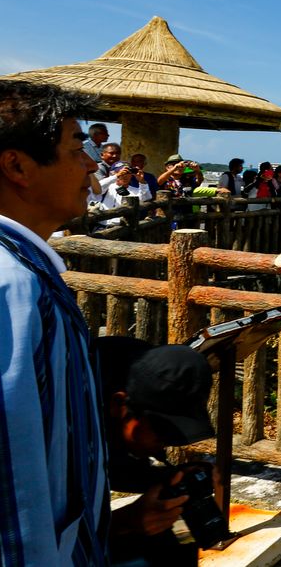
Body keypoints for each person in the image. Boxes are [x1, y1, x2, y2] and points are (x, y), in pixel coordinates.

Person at [0, 79, 110, 564]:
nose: (91, 164)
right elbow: (11, 481)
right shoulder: (12, 286)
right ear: (17, 166)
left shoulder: (26, 270)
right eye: (75, 148)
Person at [98, 338, 218, 566]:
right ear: (119, 405)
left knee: (180, 535)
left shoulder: (141, 372)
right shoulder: (59, 436)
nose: (164, 445)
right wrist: (123, 522)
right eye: (162, 432)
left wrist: (173, 479)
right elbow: (36, 537)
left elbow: (116, 466)